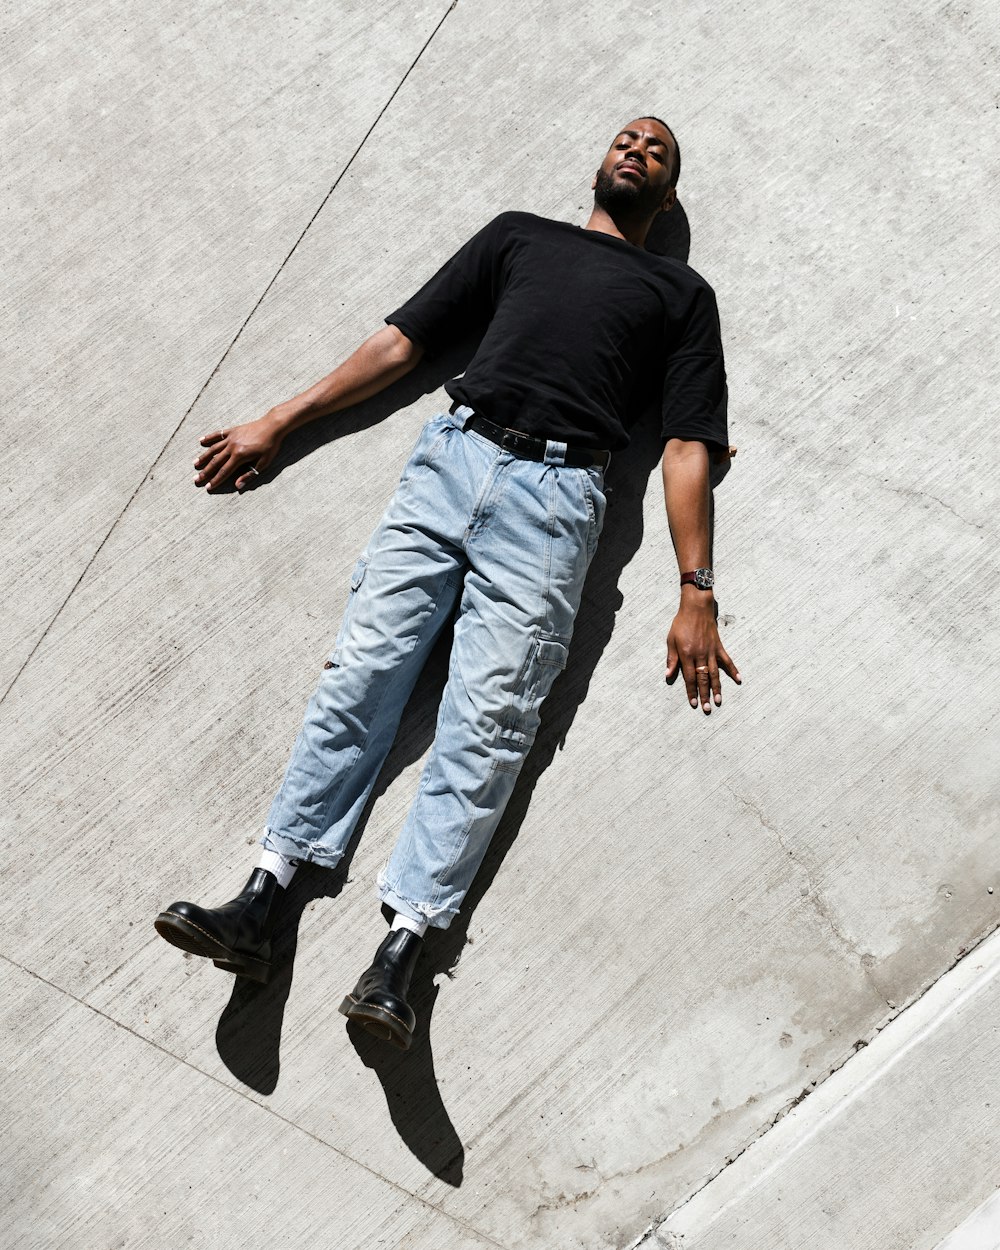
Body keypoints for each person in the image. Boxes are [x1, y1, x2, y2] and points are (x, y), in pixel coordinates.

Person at [154, 116, 741, 1050]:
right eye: (626, 138)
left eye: (658, 150)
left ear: (666, 197)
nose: (636, 149)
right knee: (362, 673)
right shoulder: (519, 236)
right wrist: (281, 419)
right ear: (599, 162)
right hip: (452, 461)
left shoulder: (681, 292)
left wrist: (695, 589)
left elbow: (685, 445)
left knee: (490, 724)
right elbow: (402, 344)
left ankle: (403, 955)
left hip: (557, 500)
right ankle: (262, 901)